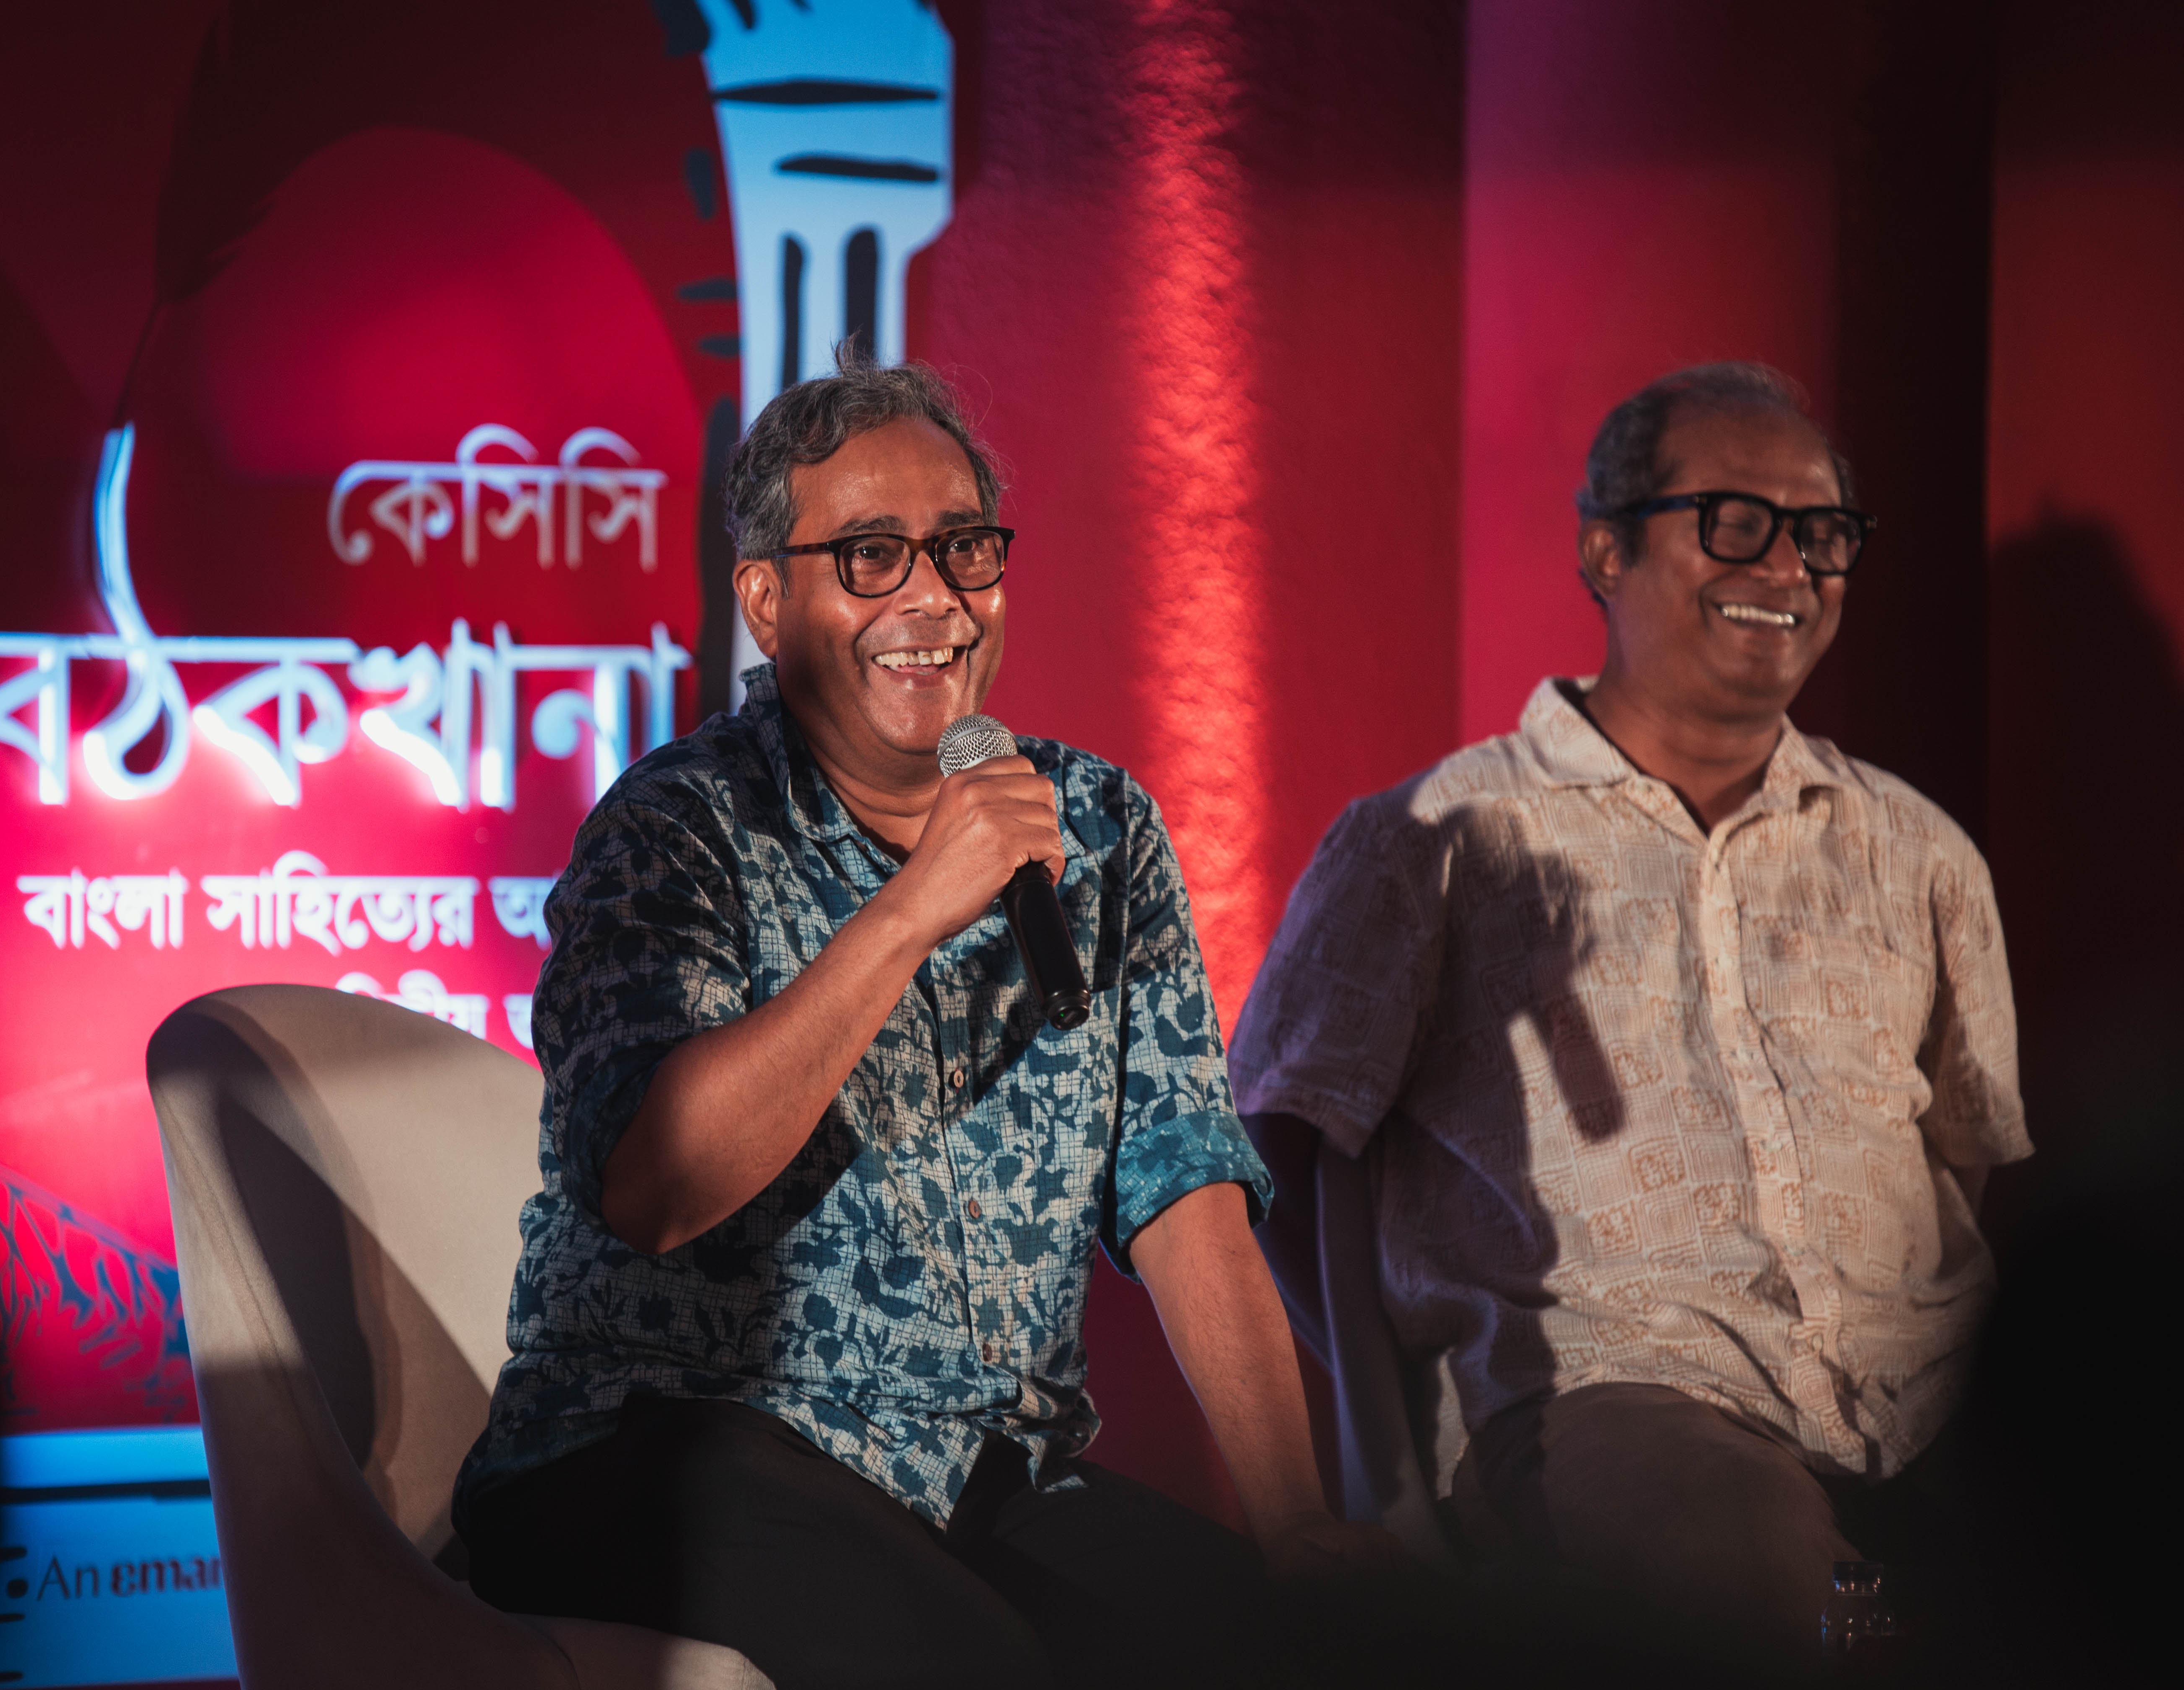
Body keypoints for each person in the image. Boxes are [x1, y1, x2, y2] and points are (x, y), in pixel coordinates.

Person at [453, 351, 1396, 1690]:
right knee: (978, 1662)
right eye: (873, 556)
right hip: (661, 1448)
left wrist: (1295, 1524)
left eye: (963, 548)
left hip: (978, 1475)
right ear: (767, 602)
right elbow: (654, 1189)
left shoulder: (1098, 827)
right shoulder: (676, 831)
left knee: (1300, 1648)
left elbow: (1183, 1183)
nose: (935, 599)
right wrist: (908, 913)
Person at [1230, 362, 2029, 1666]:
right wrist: (1396, 1479)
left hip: (1933, 1396)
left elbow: (1968, 1166)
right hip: (1609, 1398)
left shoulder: (1921, 850)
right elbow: (1278, 1162)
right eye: (1736, 522)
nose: (1788, 568)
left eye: (1823, 532)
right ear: (1606, 551)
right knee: (1768, 1572)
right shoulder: (1430, 841)